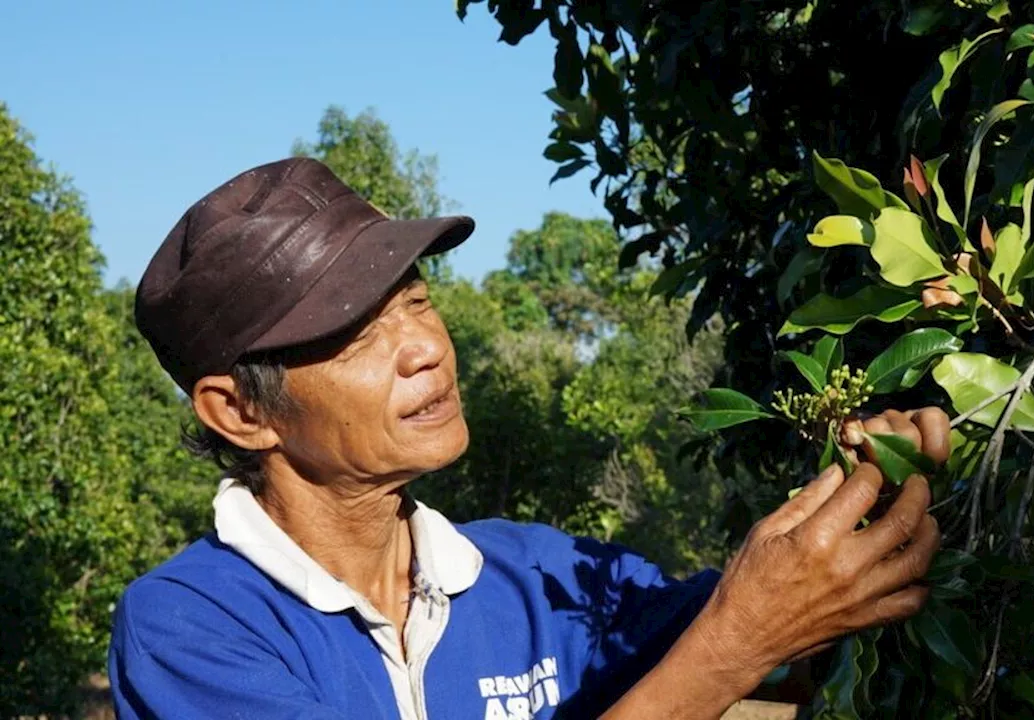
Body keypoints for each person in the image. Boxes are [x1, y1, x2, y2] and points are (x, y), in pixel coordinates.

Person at [109, 157, 949, 720]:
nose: (426, 348)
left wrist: (857, 489)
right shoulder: (191, 628)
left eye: (416, 300)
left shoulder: (535, 578)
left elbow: (778, 629)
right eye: (355, 330)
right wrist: (736, 647)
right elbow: (738, 638)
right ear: (239, 412)